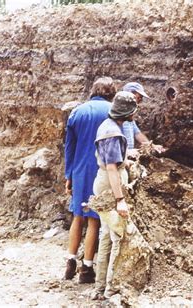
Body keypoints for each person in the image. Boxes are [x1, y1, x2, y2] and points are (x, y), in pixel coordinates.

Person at [64, 77, 116, 283]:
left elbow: (69, 147)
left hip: (78, 170)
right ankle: (87, 268)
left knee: (78, 216)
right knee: (94, 219)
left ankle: (70, 260)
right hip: (101, 170)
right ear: (110, 92)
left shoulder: (77, 112)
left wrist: (69, 175)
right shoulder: (112, 112)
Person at [91, 91, 137, 299]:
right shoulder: (113, 133)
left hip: (107, 182)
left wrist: (125, 159)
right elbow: (111, 168)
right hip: (110, 186)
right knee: (118, 236)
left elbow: (113, 160)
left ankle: (99, 287)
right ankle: (111, 288)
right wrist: (120, 200)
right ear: (126, 112)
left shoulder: (108, 126)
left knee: (106, 236)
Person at [121, 82, 164, 153]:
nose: (140, 100)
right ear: (130, 94)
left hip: (127, 155)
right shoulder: (117, 113)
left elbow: (137, 134)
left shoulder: (129, 114)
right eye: (139, 97)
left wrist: (152, 146)